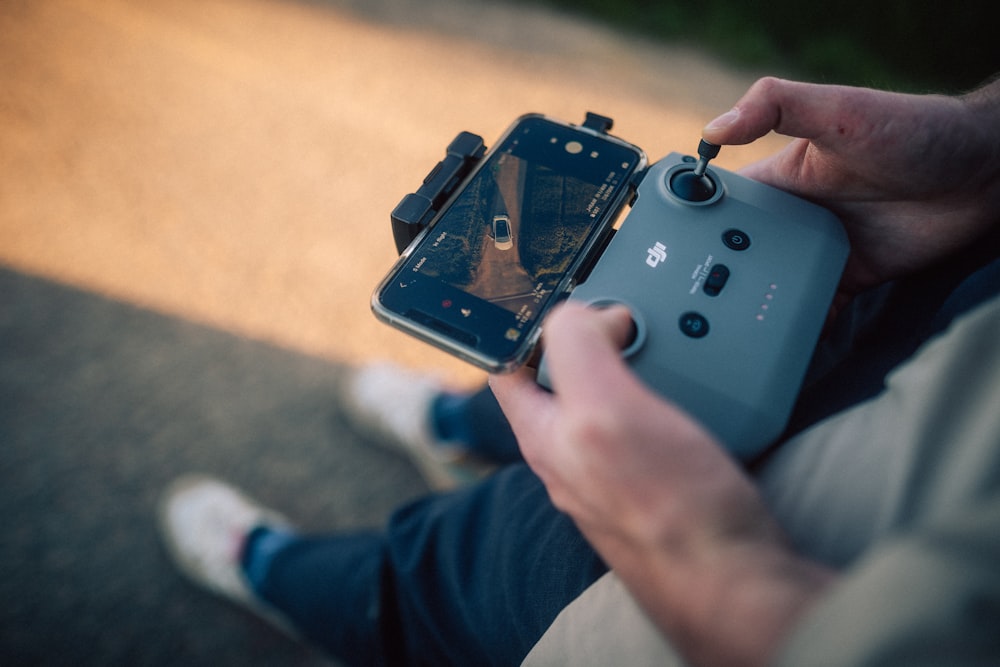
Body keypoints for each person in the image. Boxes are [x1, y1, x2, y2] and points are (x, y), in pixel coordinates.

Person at [158, 76, 1000, 666]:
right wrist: (985, 150)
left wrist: (689, 544)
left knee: (444, 568)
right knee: (568, 343)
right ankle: (451, 427)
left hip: (791, 565)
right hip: (966, 293)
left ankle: (265, 564)